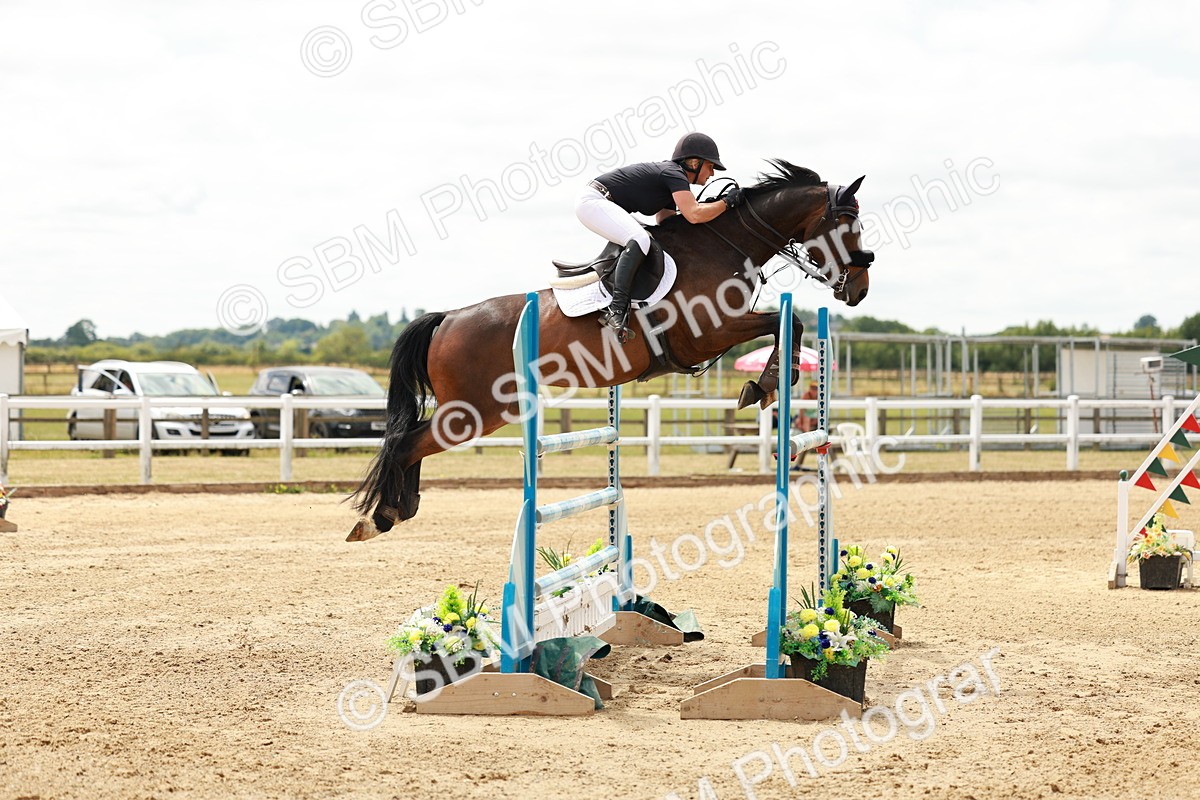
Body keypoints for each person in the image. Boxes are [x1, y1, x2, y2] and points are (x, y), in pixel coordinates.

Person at [575, 132, 744, 340]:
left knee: (647, 237)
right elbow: (694, 214)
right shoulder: (674, 174)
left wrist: (709, 207)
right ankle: (616, 310)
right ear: (694, 163)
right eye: (710, 166)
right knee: (640, 239)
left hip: (600, 201)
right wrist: (726, 203)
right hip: (594, 201)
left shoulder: (673, 179)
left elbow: (667, 221)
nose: (712, 173)